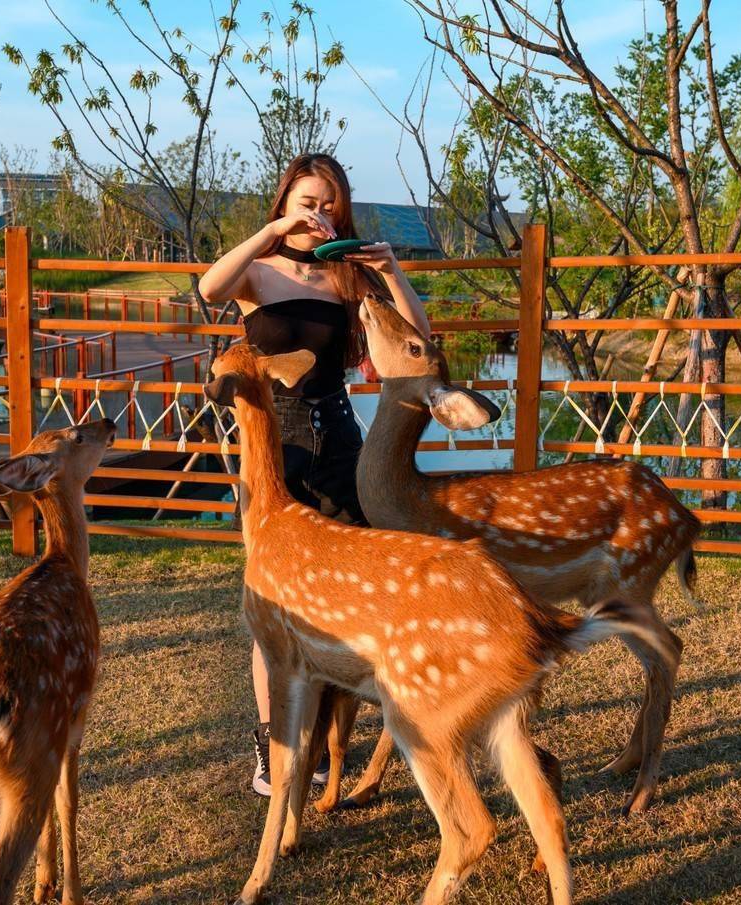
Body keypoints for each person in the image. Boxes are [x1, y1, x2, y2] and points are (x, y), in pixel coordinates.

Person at [198, 153, 430, 796]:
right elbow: (209, 291)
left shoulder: (346, 278)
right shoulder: (260, 271)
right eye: (306, 200)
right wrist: (270, 234)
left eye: (329, 203)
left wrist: (390, 270)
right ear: (285, 202)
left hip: (338, 436)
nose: (318, 212)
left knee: (346, 592)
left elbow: (419, 335)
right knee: (274, 597)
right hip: (274, 440)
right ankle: (273, 747)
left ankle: (327, 746)